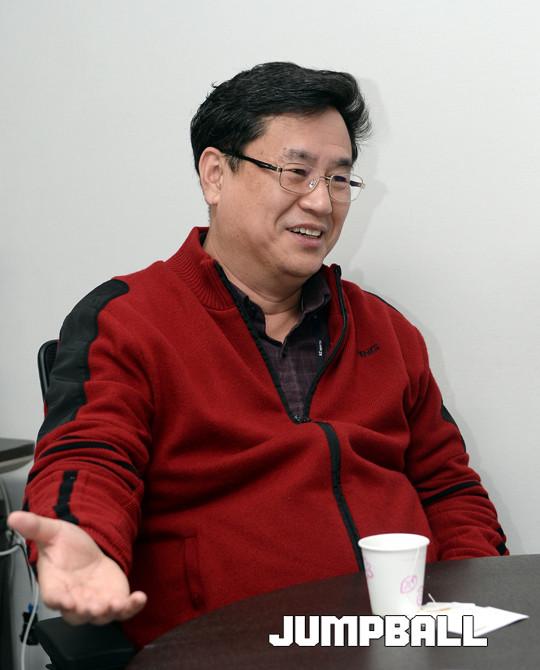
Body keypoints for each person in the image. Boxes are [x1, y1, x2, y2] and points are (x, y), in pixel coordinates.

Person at [9, 62, 508, 649]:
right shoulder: (128, 319)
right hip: (225, 650)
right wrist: (82, 536)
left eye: (339, 179)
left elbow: (449, 489)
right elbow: (91, 456)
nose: (322, 203)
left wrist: (474, 605)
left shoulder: (386, 330)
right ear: (215, 175)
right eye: (297, 173)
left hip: (405, 645)